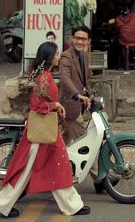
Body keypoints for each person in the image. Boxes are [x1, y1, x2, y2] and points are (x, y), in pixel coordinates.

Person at [0, 42, 90, 218]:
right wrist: (56, 104)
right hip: (41, 132)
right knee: (33, 169)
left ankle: (72, 205)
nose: (59, 57)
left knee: (57, 167)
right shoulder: (44, 77)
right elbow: (37, 105)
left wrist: (56, 106)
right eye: (57, 54)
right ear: (49, 57)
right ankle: (3, 203)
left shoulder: (44, 75)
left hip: (45, 129)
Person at [58, 25, 105, 192]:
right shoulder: (66, 57)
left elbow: (85, 82)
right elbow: (65, 79)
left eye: (83, 39)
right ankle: (100, 180)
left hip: (77, 107)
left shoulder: (84, 56)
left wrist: (90, 95)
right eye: (77, 38)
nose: (79, 41)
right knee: (87, 143)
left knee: (61, 144)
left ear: (88, 41)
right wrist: (78, 96)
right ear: (72, 39)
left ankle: (52, 172)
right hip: (68, 107)